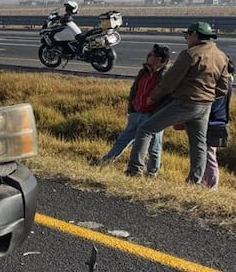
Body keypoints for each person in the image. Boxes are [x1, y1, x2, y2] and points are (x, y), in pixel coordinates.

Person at [126, 22, 232, 183]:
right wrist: (208, 96)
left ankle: (134, 171)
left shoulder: (191, 54)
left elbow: (170, 79)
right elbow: (223, 88)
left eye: (187, 36)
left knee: (145, 129)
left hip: (185, 102)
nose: (187, 39)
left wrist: (153, 97)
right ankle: (194, 181)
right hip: (205, 105)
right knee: (199, 144)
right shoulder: (221, 55)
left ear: (195, 35)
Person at [95, 44, 170, 175]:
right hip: (137, 113)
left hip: (152, 117)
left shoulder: (166, 76)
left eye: (151, 55)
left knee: (154, 147)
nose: (148, 57)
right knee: (123, 140)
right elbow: (134, 90)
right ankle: (106, 162)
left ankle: (152, 173)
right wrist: (132, 109)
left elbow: (167, 98)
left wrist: (157, 115)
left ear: (159, 59)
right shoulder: (144, 72)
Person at [201, 59, 233, 191]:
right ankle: (207, 183)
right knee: (208, 155)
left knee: (209, 156)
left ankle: (211, 187)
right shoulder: (227, 83)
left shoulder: (222, 85)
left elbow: (214, 106)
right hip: (218, 122)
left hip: (213, 122)